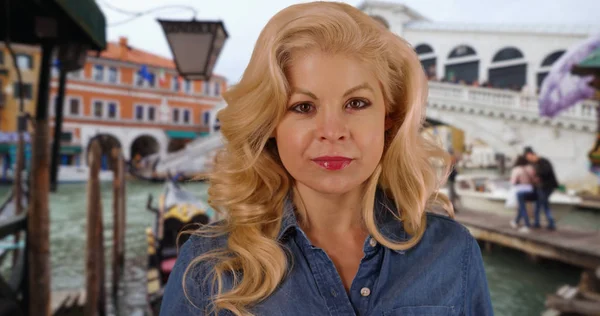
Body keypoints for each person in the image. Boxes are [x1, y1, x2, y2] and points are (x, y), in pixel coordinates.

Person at [160, 3, 493, 316]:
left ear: (388, 117)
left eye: (357, 104)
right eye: (303, 107)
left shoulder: (452, 252)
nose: (332, 132)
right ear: (270, 124)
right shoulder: (207, 265)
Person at [524, 147, 558, 230]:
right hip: (539, 187)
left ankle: (551, 223)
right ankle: (537, 223)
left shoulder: (543, 162)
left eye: (529, 157)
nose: (529, 160)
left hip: (547, 187)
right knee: (538, 205)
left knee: (544, 204)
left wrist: (536, 172)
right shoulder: (534, 164)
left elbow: (545, 172)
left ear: (532, 155)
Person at [507, 155, 536, 233]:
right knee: (522, 207)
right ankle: (516, 221)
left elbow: (513, 182)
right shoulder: (530, 168)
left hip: (521, 190)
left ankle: (527, 225)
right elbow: (534, 179)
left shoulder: (516, 169)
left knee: (522, 207)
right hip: (530, 189)